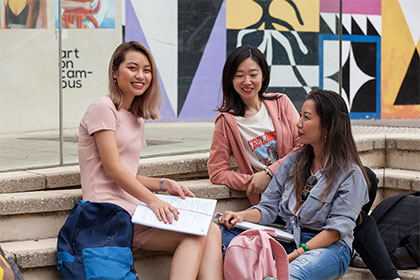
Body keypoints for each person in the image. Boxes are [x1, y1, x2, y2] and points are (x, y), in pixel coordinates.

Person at [78, 41, 222, 279]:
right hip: (108, 213)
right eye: (132, 68)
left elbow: (128, 172)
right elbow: (113, 169)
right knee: (196, 233)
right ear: (114, 72)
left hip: (132, 207)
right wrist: (154, 201)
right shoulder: (103, 108)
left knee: (211, 230)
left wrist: (165, 184)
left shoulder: (135, 117)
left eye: (146, 70)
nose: (140, 75)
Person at [219, 89, 370, 279]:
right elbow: (268, 208)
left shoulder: (351, 174)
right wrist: (241, 216)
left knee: (286, 276)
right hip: (288, 239)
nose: (298, 123)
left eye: (306, 118)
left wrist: (294, 255)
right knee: (218, 233)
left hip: (328, 248)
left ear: (327, 126)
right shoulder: (293, 161)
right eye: (300, 116)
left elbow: (334, 231)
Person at [207, 45, 301, 205]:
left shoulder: (281, 103)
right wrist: (251, 181)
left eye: (253, 74)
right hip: (269, 203)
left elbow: (303, 147)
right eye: (239, 76)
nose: (247, 81)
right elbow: (217, 172)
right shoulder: (226, 122)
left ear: (263, 76)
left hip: (299, 189)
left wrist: (269, 173)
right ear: (230, 79)